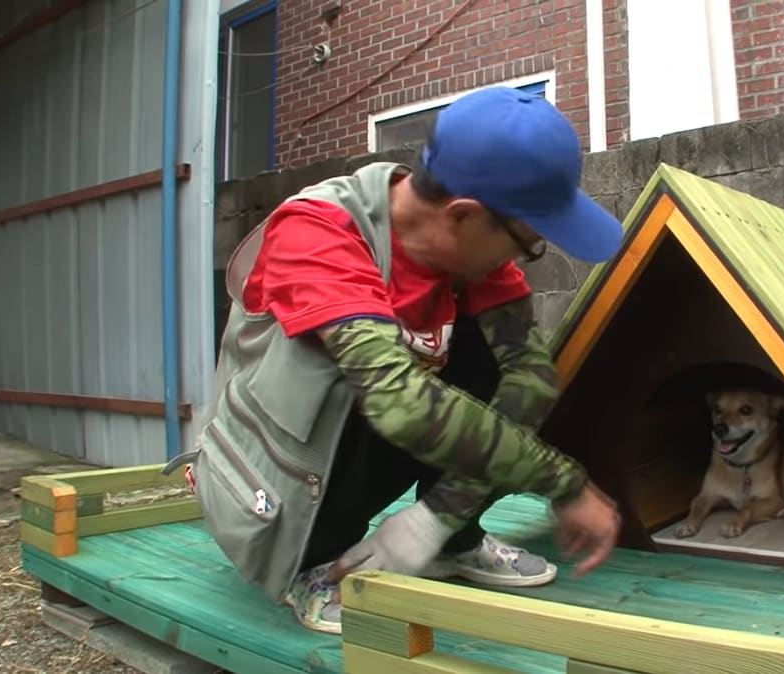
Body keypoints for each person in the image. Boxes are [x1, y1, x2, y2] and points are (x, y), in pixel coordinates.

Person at [169, 86, 624, 634]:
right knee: (356, 376)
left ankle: (455, 541)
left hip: (371, 438)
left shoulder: (470, 253)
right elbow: (400, 405)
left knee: (507, 369)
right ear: (463, 215)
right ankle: (317, 562)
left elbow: (530, 380)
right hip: (273, 491)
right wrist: (565, 483)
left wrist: (437, 519)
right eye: (526, 243)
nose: (521, 260)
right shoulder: (318, 233)